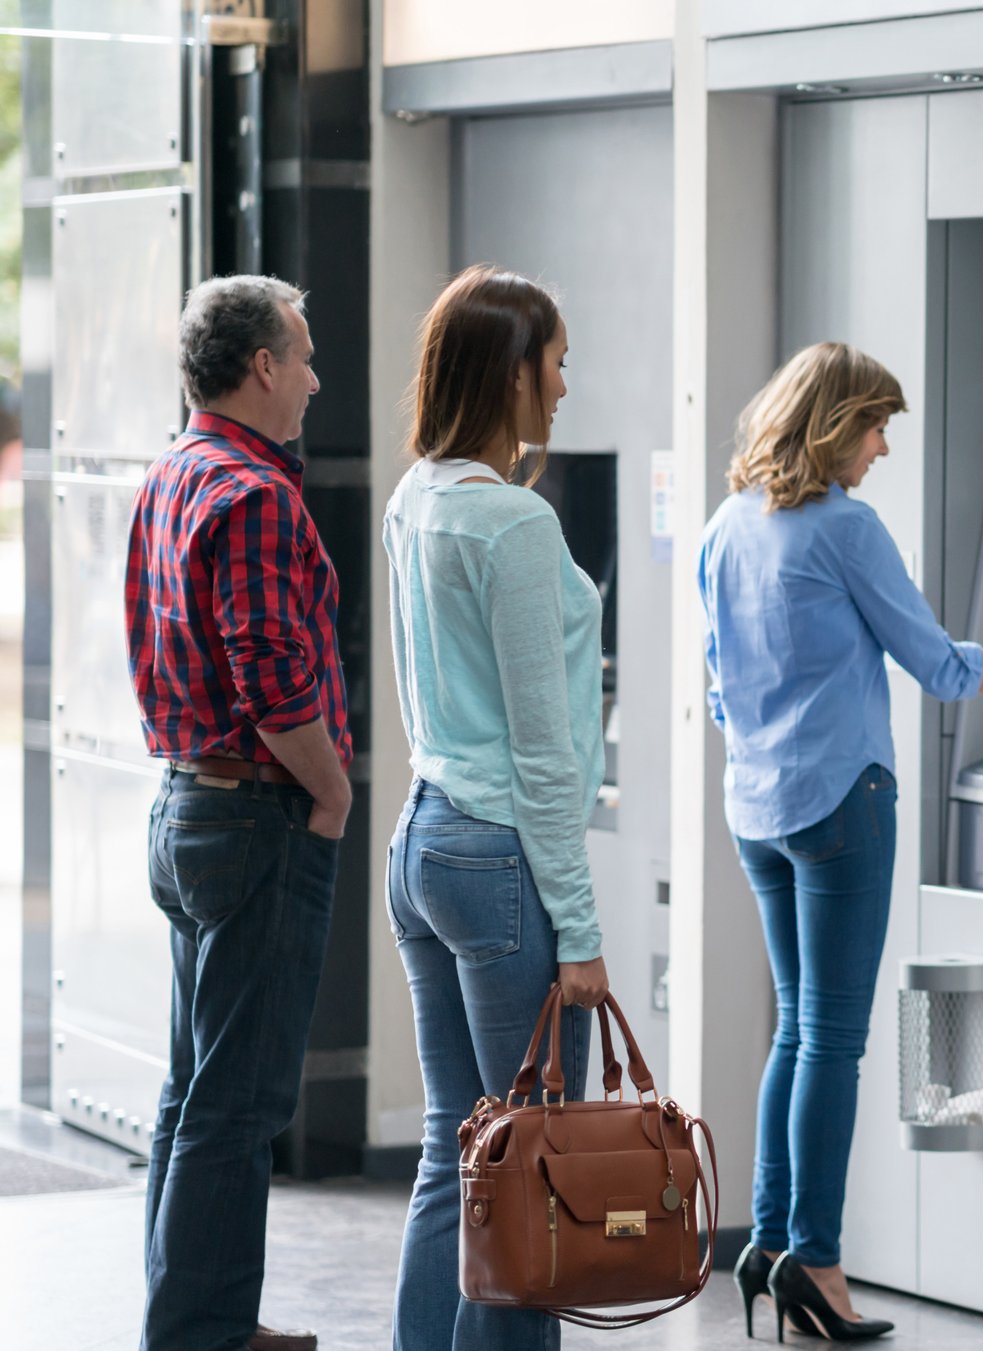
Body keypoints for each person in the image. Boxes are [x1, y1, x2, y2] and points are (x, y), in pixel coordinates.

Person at [697, 342, 983, 1342]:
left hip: (758, 809)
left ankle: (767, 1244)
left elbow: (719, 686)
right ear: (833, 424)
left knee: (796, 1030)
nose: (884, 447)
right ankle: (817, 1257)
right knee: (835, 1039)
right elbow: (942, 668)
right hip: (840, 804)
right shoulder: (844, 530)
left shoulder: (726, 527)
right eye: (875, 425)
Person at [381, 265, 609, 1350]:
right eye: (555, 362)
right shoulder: (513, 524)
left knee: (454, 1146)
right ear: (510, 373)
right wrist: (583, 928)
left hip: (424, 837)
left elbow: (421, 691)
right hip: (497, 852)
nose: (565, 386)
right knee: (527, 1163)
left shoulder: (413, 498)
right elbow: (546, 751)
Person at [129, 275, 347, 1351]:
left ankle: (196, 1314)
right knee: (241, 1100)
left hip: (185, 805)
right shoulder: (254, 494)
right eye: (302, 356)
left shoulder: (174, 472)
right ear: (261, 365)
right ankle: (202, 1332)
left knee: (195, 1087)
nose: (313, 377)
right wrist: (335, 787)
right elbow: (272, 678)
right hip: (258, 815)